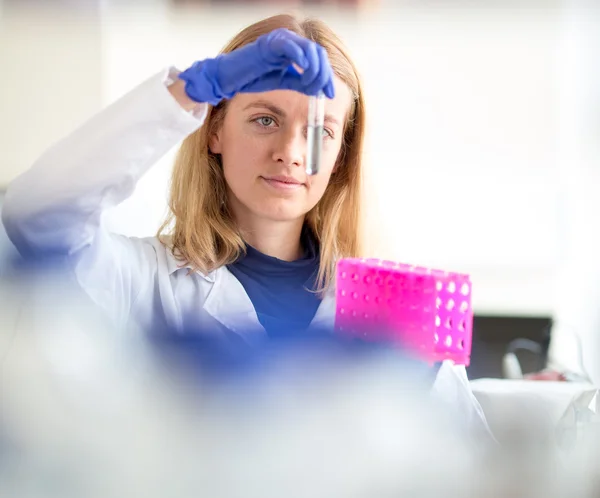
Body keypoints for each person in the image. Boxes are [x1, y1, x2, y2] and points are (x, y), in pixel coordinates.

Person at [1, 13, 493, 438]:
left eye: (320, 131)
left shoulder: (398, 310)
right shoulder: (141, 279)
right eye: (264, 119)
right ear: (214, 129)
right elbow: (34, 213)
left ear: (341, 157)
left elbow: (477, 484)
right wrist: (186, 91)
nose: (291, 153)